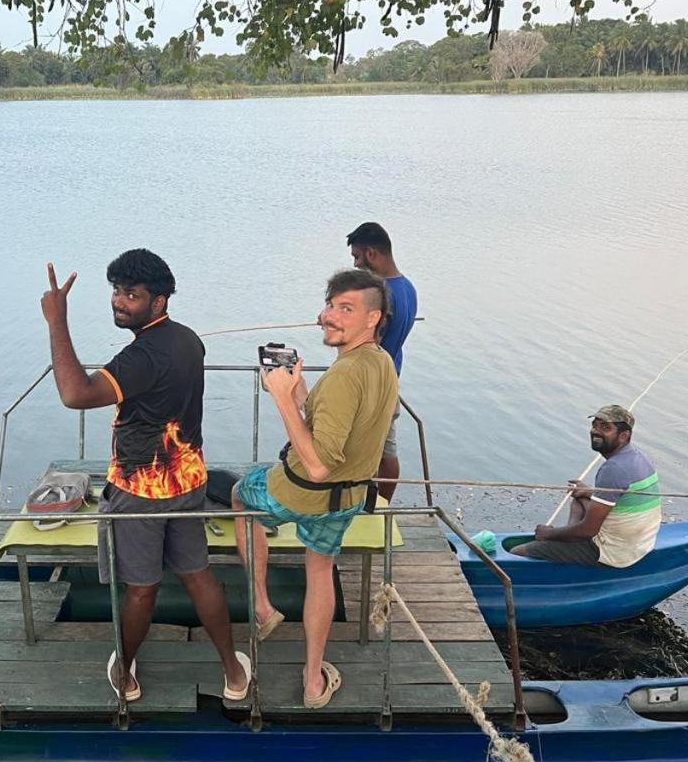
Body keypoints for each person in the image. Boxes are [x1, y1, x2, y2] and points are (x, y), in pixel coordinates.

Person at [39, 249, 248, 703]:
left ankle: (127, 676)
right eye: (116, 291)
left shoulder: (140, 358)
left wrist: (57, 320)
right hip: (189, 481)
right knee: (198, 575)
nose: (119, 301)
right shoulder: (189, 340)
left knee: (141, 588)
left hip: (139, 492)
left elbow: (75, 394)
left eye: (132, 295)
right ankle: (233, 673)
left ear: (159, 301)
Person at [233, 269, 398, 709]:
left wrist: (282, 398)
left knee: (240, 496)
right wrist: (305, 393)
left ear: (372, 318)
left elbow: (319, 465)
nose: (329, 317)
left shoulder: (345, 375)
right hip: (346, 500)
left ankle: (264, 607)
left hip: (302, 490)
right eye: (329, 305)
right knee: (320, 569)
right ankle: (312, 681)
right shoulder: (380, 363)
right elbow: (340, 428)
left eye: (346, 309)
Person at [511, 405, 662, 567]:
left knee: (517, 553)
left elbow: (589, 531)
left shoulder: (614, 469)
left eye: (605, 428)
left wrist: (548, 534)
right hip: (641, 543)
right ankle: (569, 539)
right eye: (594, 425)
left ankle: (569, 546)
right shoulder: (638, 457)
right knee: (579, 497)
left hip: (615, 552)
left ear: (624, 436)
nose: (595, 431)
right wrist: (588, 492)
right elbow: (622, 494)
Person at [346, 222, 418, 503]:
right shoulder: (407, 287)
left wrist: (337, 327)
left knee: (378, 451)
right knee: (385, 449)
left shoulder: (382, 295)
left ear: (372, 253)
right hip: (391, 376)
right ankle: (378, 504)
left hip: (375, 384)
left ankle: (375, 506)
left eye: (357, 257)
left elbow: (367, 342)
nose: (355, 263)